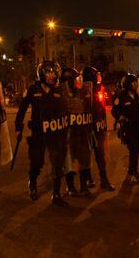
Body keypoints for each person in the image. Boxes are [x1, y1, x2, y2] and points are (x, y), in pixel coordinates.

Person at [15, 61, 69, 206]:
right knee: (37, 161)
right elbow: (22, 108)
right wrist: (18, 127)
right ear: (41, 74)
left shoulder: (60, 90)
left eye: (54, 72)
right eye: (48, 72)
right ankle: (32, 183)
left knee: (57, 163)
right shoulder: (33, 89)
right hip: (38, 133)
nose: (52, 75)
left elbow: (67, 110)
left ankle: (56, 194)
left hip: (55, 133)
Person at [60, 67, 93, 197]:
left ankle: (83, 186)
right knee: (69, 161)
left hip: (81, 131)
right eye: (70, 80)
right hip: (68, 133)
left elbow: (87, 110)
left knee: (84, 160)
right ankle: (70, 186)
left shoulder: (81, 93)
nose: (72, 82)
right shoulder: (60, 95)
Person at [82, 66, 115, 191]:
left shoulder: (99, 89)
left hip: (98, 127)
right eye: (96, 74)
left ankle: (104, 180)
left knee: (100, 156)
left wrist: (104, 126)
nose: (99, 76)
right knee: (86, 156)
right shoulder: (83, 90)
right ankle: (88, 179)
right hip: (86, 128)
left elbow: (101, 109)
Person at [111, 73, 139, 183]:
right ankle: (132, 171)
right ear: (128, 84)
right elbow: (114, 110)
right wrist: (120, 117)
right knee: (133, 149)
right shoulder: (121, 96)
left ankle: (133, 170)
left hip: (137, 127)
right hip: (128, 127)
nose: (136, 84)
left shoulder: (136, 95)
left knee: (138, 146)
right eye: (133, 82)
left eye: (136, 82)